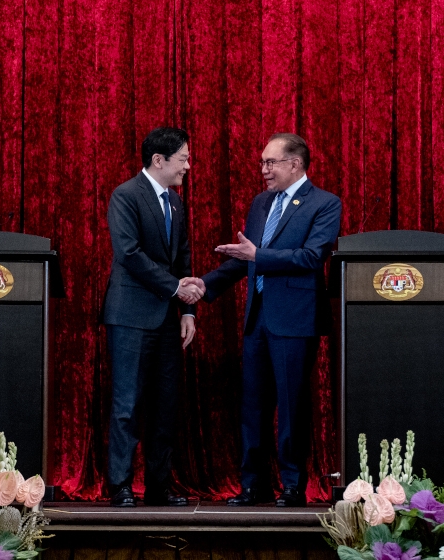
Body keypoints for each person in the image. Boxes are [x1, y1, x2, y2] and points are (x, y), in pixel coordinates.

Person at [202, 133, 342, 507]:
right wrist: (204, 284)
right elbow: (247, 257)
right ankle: (253, 485)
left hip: (295, 320)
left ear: (294, 164)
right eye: (263, 162)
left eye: (271, 162)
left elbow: (311, 257)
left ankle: (293, 485)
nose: (263, 170)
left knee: (292, 406)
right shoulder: (261, 203)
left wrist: (257, 255)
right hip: (258, 318)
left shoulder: (325, 203)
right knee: (253, 405)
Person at [102, 127, 205, 508]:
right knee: (127, 404)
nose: (188, 166)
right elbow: (129, 254)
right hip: (129, 315)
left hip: (166, 319)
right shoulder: (126, 195)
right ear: (158, 160)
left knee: (165, 406)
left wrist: (189, 309)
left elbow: (183, 258)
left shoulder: (175, 203)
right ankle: (121, 485)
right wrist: (176, 289)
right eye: (184, 159)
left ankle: (159, 486)